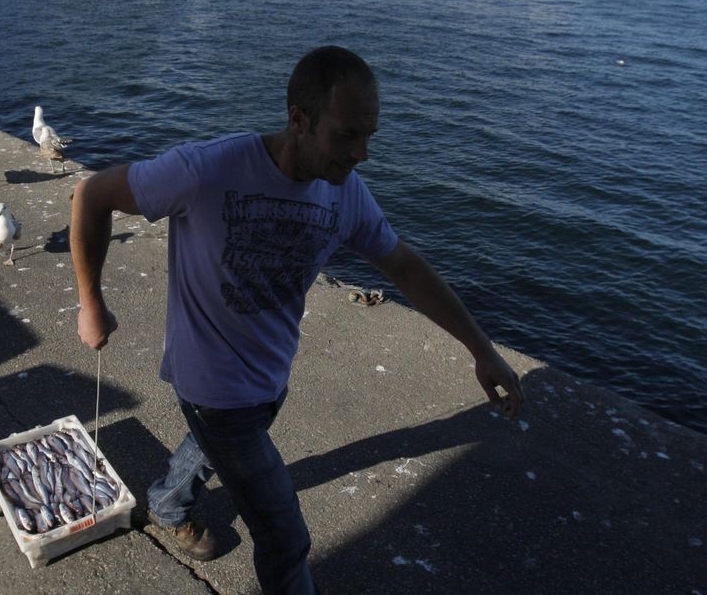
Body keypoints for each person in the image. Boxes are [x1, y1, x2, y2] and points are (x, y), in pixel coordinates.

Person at [70, 46, 525, 594]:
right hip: (213, 389)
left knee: (215, 446)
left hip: (269, 378)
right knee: (285, 539)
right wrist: (91, 304)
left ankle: (168, 502)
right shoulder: (207, 170)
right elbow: (92, 194)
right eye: (347, 135)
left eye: (369, 136)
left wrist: (482, 349)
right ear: (298, 120)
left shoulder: (344, 193)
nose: (361, 154)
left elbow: (404, 266)